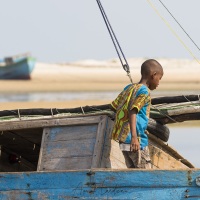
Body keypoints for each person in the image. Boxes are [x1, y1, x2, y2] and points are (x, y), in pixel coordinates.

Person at [110, 59, 163, 169]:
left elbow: (115, 106)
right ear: (153, 75)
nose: (159, 82)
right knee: (144, 173)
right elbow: (133, 111)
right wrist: (134, 137)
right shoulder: (144, 91)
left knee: (132, 171)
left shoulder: (129, 88)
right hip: (136, 142)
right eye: (159, 78)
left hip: (123, 140)